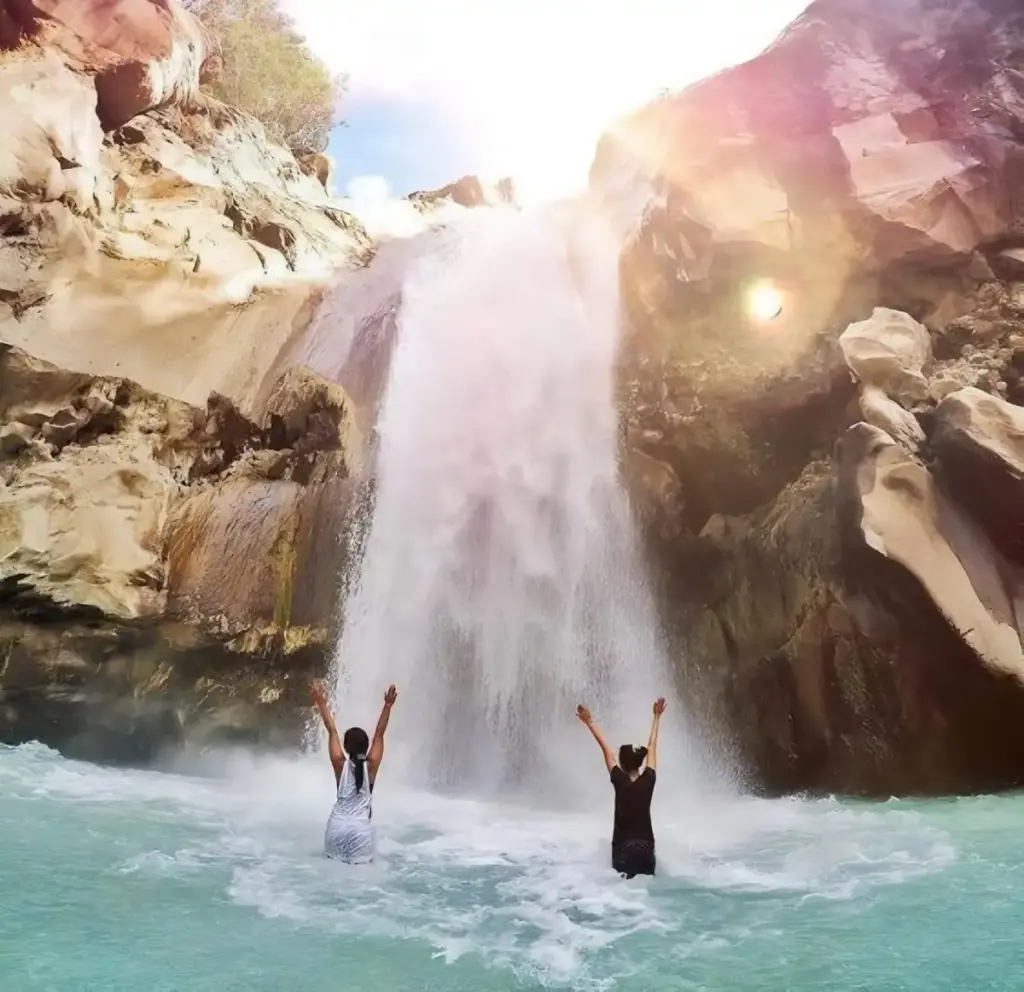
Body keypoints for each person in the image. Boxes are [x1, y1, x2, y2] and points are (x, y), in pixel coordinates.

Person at [576, 697, 666, 879]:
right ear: (641, 763)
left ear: (622, 764)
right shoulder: (649, 778)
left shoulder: (619, 779)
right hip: (646, 850)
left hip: (623, 850)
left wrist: (589, 722)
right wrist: (656, 717)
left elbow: (606, 751)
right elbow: (652, 745)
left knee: (623, 896)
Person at [310, 680, 398, 864]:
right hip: (360, 832)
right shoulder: (371, 766)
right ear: (366, 747)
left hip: (336, 829)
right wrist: (387, 706)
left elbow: (331, 730)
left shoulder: (339, 765)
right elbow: (379, 734)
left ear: (346, 747)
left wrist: (321, 703)